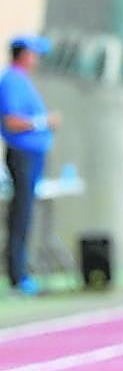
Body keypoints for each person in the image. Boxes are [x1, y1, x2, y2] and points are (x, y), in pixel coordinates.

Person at [0, 35, 59, 296]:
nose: (36, 58)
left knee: (26, 214)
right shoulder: (11, 81)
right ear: (23, 54)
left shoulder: (22, 81)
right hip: (22, 155)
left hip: (32, 155)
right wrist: (42, 122)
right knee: (20, 215)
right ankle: (17, 275)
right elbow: (11, 121)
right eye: (33, 53)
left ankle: (21, 271)